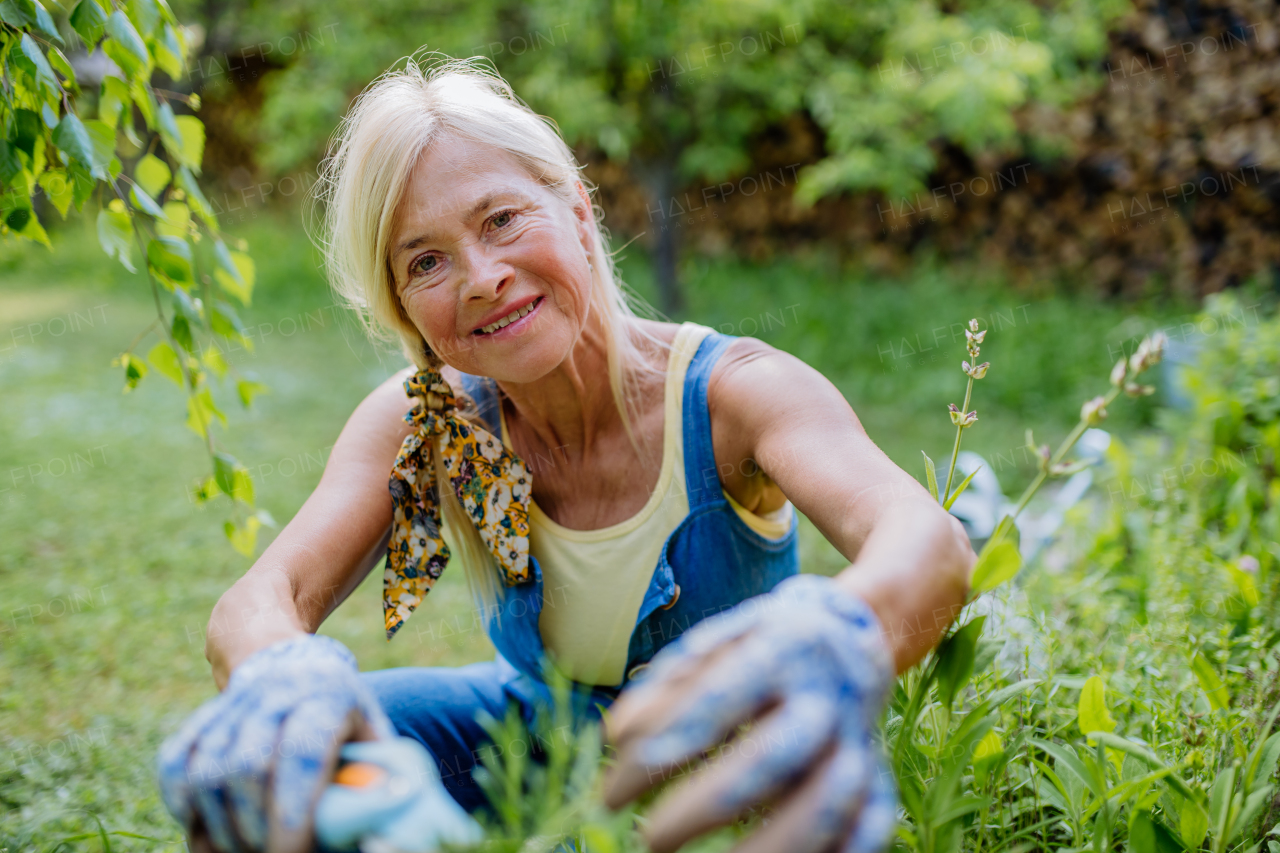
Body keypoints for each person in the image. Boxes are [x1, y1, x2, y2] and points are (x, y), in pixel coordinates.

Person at [156, 55, 975, 853]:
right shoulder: (427, 418)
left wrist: (841, 626)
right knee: (295, 766)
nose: (481, 277)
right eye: (426, 260)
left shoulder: (736, 394)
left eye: (501, 219)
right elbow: (261, 599)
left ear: (579, 212)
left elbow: (925, 539)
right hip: (531, 737)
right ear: (402, 303)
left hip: (719, 762)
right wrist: (282, 672)